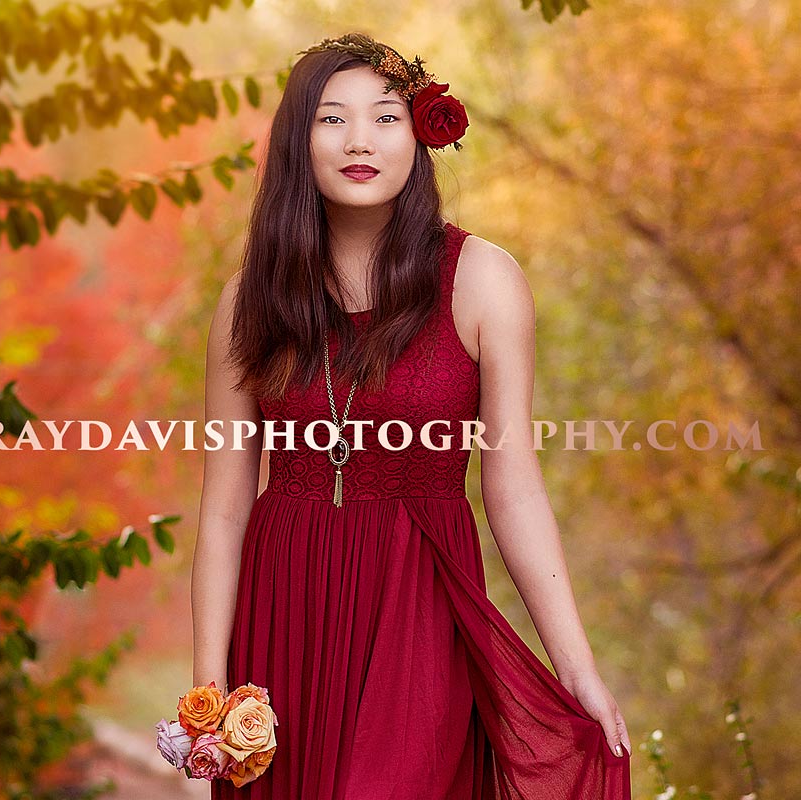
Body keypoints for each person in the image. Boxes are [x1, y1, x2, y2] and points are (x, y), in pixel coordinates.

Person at [190, 32, 633, 799]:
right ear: (299, 142)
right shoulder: (248, 299)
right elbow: (224, 512)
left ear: (421, 134)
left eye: (386, 116)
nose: (360, 140)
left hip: (420, 598)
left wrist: (578, 667)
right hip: (283, 604)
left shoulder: (484, 280)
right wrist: (208, 698)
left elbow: (514, 489)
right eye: (332, 119)